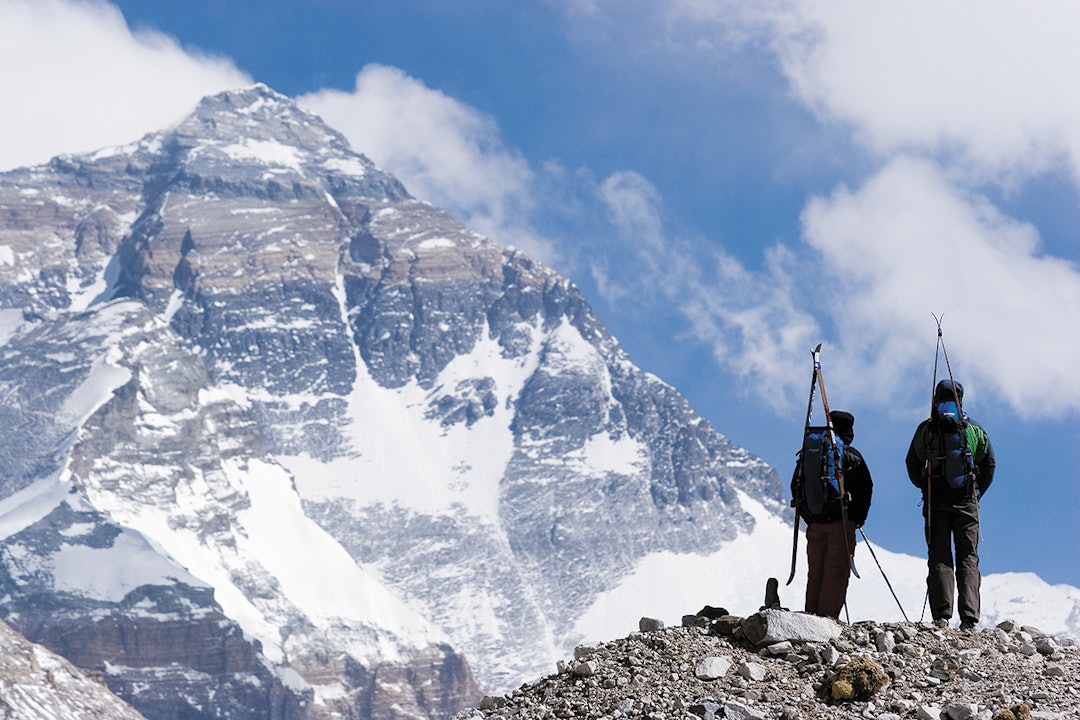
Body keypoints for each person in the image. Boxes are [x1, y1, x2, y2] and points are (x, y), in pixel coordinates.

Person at [905, 379, 995, 630]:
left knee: (939, 555)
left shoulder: (926, 430)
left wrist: (925, 487)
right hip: (966, 501)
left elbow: (912, 463)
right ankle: (968, 617)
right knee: (968, 556)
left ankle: (941, 616)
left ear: (935, 399)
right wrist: (977, 492)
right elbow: (989, 464)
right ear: (960, 399)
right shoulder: (974, 430)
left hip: (936, 502)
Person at [792, 410, 873, 620]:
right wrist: (856, 518)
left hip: (814, 522)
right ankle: (827, 619)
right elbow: (865, 487)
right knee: (836, 571)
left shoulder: (810, 452)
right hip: (840, 522)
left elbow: (796, 485)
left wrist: (809, 516)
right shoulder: (848, 454)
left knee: (816, 570)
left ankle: (810, 617)